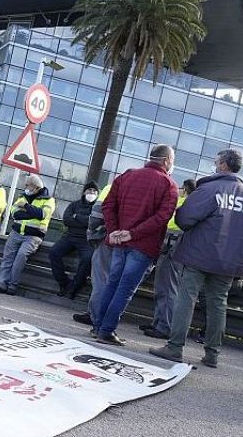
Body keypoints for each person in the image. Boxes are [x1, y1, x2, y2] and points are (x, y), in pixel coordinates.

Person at [150, 149, 243, 368]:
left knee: (186, 298)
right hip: (229, 262)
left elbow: (184, 219)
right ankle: (212, 354)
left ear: (223, 165)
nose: (214, 165)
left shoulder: (210, 189)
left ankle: (174, 347)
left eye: (216, 161)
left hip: (199, 255)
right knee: (218, 303)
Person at [95, 145, 178, 346]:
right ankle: (107, 330)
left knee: (112, 283)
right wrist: (133, 234)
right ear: (167, 160)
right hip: (143, 245)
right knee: (125, 288)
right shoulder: (169, 185)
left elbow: (108, 205)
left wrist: (114, 230)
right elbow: (162, 217)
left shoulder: (127, 175)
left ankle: (98, 326)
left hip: (119, 242)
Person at [141, 179, 197, 339]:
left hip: (171, 248)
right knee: (164, 288)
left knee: (166, 288)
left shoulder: (183, 203)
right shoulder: (191, 205)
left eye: (181, 188)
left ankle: (164, 327)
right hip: (174, 248)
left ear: (185, 189)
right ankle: (158, 322)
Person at [0, 175, 55, 295]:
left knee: (20, 257)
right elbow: (14, 213)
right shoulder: (22, 196)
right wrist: (32, 213)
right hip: (16, 232)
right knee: (7, 258)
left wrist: (25, 206)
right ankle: (1, 283)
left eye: (27, 185)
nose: (25, 187)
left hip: (33, 236)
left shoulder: (48, 200)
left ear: (36, 187)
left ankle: (12, 285)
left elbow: (42, 214)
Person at [49, 181, 99, 299]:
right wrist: (85, 221)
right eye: (89, 190)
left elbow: (93, 223)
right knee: (53, 253)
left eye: (94, 191)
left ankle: (74, 288)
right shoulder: (74, 205)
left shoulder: (98, 208)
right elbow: (66, 220)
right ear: (84, 192)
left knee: (87, 259)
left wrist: (77, 217)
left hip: (87, 240)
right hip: (70, 236)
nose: (92, 193)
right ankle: (64, 284)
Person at [72, 183, 112, 326]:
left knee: (101, 279)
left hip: (108, 237)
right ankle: (106, 318)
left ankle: (94, 315)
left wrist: (93, 235)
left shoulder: (113, 186)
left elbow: (95, 216)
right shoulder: (155, 187)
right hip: (130, 242)